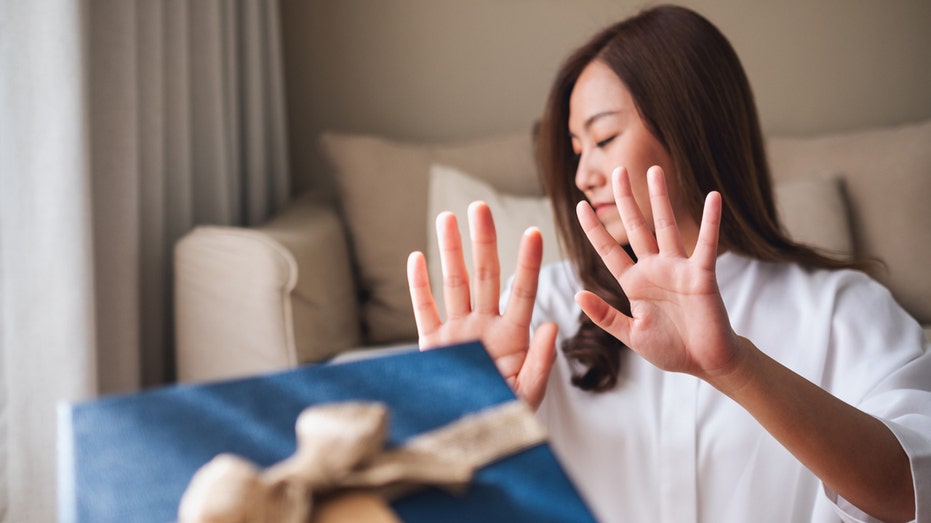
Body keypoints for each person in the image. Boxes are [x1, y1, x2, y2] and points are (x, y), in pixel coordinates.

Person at [406, 5, 930, 523]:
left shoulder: (840, 309)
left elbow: (914, 493)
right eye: (575, 149)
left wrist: (737, 369)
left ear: (691, 127)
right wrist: (460, 414)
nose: (583, 174)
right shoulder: (539, 313)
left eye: (604, 138)